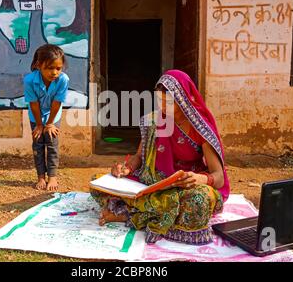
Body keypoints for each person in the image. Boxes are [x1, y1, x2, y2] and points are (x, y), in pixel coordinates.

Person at [91, 70, 230, 245]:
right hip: (152, 183)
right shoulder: (154, 120)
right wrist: (127, 168)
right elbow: (139, 157)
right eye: (159, 100)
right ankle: (154, 216)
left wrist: (200, 179)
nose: (163, 107)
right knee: (98, 182)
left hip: (184, 187)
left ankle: (130, 214)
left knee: (198, 200)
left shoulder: (199, 127)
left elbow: (219, 177)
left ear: (183, 99)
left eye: (169, 102)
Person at [23, 44, 69, 191]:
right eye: (49, 68)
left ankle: (53, 177)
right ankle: (41, 176)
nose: (54, 72)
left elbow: (56, 103)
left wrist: (49, 124)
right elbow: (34, 104)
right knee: (38, 144)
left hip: (53, 114)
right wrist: (38, 125)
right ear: (38, 65)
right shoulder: (29, 80)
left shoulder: (63, 79)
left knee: (52, 142)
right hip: (35, 114)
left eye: (58, 68)